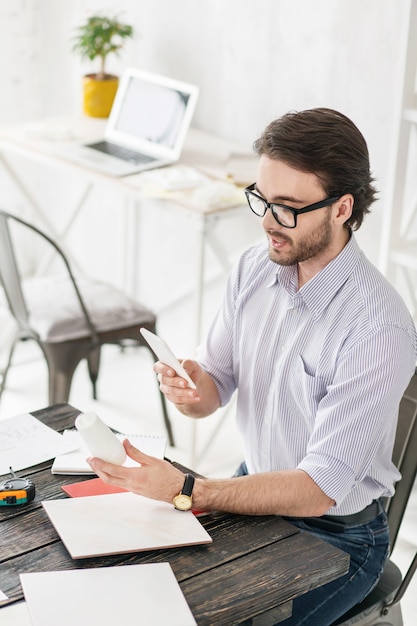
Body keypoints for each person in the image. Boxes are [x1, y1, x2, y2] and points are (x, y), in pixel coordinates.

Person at [88, 108, 417, 625]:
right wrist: (194, 390)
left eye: (286, 207)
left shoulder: (378, 328)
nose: (266, 221)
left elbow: (317, 488)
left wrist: (189, 489)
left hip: (339, 536)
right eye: (261, 199)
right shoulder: (252, 267)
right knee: (138, 595)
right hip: (255, 491)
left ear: (341, 208)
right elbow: (215, 384)